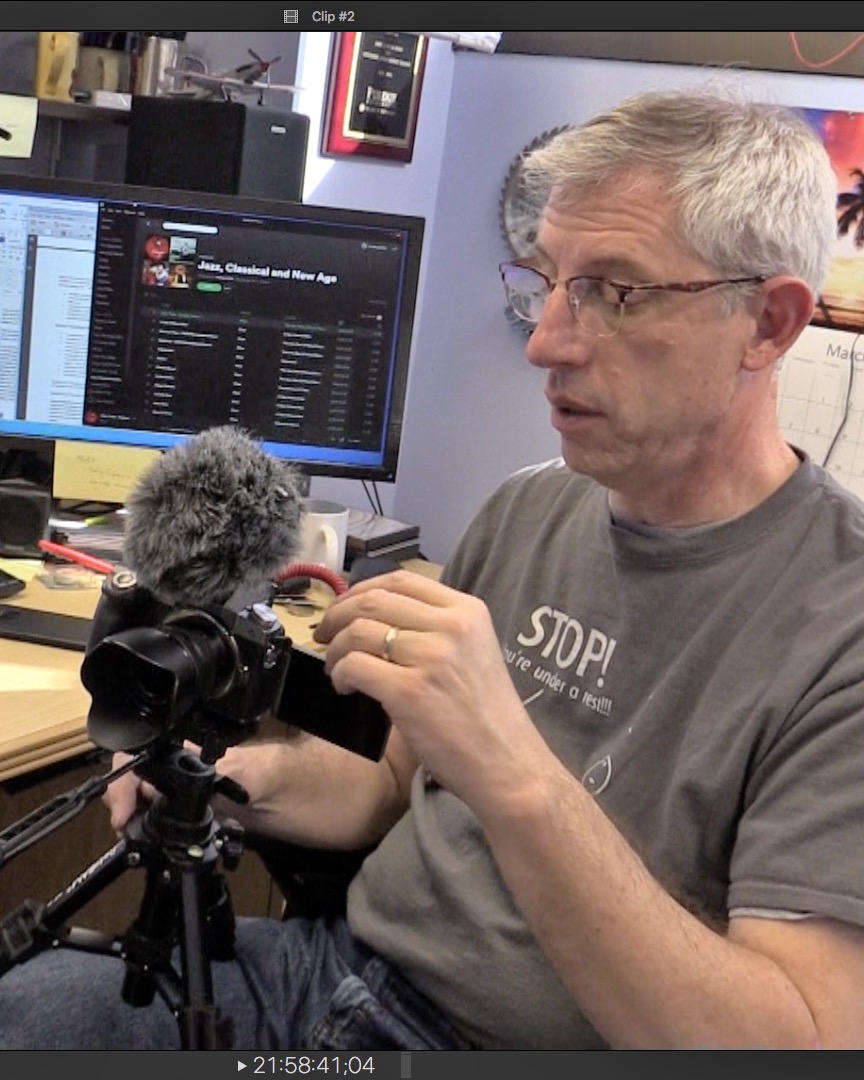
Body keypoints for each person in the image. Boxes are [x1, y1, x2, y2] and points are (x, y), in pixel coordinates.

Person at [2, 87, 864, 1050]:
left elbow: (791, 1041)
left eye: (614, 293)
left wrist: (512, 769)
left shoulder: (840, 626)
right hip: (336, 976)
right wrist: (229, 779)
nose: (546, 341)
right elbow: (392, 790)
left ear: (770, 325)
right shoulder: (533, 506)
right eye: (548, 284)